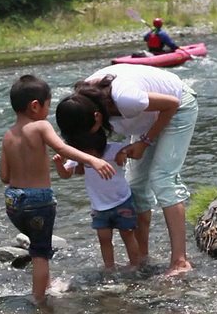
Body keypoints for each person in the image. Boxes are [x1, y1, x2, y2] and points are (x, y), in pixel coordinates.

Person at [55, 63, 198, 276]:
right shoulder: (80, 104)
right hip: (150, 121)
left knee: (162, 179)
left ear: (96, 117)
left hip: (179, 108)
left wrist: (145, 142)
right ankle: (142, 257)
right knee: (136, 185)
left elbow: (172, 103)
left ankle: (180, 261)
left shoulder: (127, 99)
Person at [0, 74, 116, 304]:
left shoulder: (7, 136)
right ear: (35, 106)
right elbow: (62, 148)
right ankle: (39, 298)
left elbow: (4, 177)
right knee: (41, 253)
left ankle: (47, 283)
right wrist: (92, 160)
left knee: (37, 243)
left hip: (13, 201)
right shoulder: (41, 126)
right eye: (47, 106)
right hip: (38, 200)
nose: (47, 112)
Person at [52, 128, 140, 271]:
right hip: (99, 207)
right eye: (85, 153)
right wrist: (58, 165)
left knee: (128, 234)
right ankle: (109, 268)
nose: (89, 158)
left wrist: (124, 152)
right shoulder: (80, 157)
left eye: (92, 153)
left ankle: (135, 265)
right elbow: (66, 175)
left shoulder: (112, 149)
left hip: (122, 201)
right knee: (104, 239)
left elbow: (137, 148)